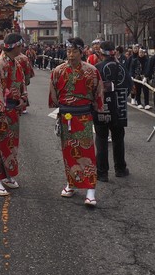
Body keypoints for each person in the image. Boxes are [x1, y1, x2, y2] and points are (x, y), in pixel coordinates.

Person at [49, 37, 103, 207]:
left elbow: (98, 94)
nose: (70, 55)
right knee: (68, 151)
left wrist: (97, 109)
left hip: (84, 116)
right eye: (68, 51)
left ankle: (90, 189)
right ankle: (71, 183)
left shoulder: (91, 71)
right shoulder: (58, 70)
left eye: (74, 51)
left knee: (86, 151)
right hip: (66, 117)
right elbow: (54, 97)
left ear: (81, 52)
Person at [0, 33, 28, 197]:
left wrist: (23, 99)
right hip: (2, 110)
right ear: (16, 46)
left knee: (11, 144)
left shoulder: (15, 63)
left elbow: (21, 83)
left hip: (13, 110)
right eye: (21, 45)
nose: (22, 48)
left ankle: (8, 175)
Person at [93, 41, 131, 181]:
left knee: (101, 139)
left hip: (102, 108)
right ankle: (120, 169)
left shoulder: (96, 68)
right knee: (118, 138)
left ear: (100, 53)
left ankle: (102, 173)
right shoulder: (121, 67)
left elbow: (91, 88)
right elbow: (129, 85)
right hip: (119, 108)